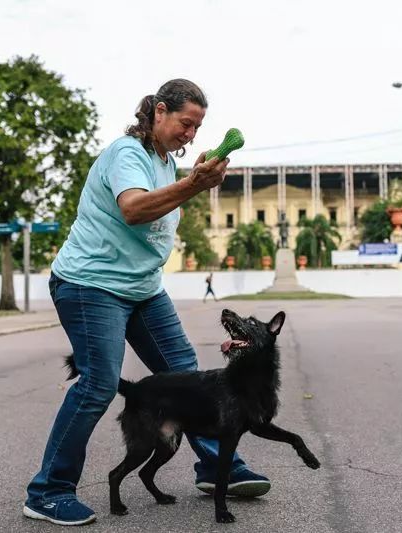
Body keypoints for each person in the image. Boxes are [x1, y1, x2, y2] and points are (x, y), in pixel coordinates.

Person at [23, 79, 270, 527]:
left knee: (189, 373)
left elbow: (157, 209)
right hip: (90, 286)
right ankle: (48, 491)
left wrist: (188, 178)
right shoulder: (127, 153)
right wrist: (193, 185)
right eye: (184, 123)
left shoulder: (162, 163)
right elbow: (134, 209)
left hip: (143, 290)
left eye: (197, 128)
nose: (190, 134)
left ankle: (217, 468)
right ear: (159, 111)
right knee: (98, 384)